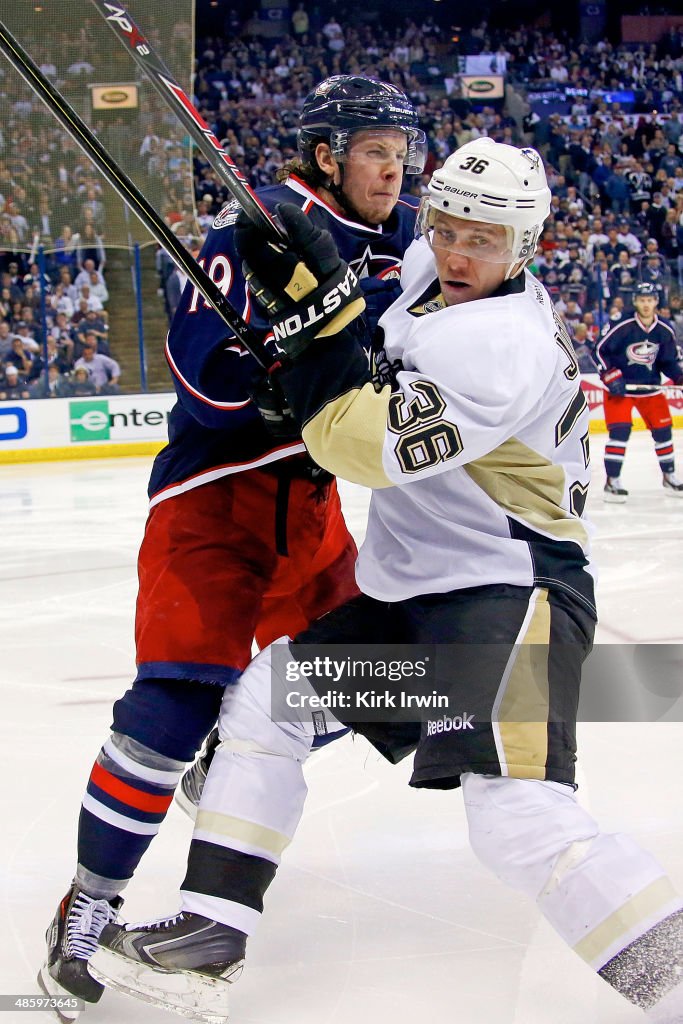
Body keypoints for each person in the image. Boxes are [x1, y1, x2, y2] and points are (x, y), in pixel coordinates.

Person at [89, 139, 683, 1024]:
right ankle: (211, 928)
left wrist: (320, 333)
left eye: (481, 239)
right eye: (445, 226)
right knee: (271, 703)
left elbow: (351, 443)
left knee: (517, 818)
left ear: (525, 248)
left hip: (508, 602)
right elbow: (372, 286)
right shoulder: (434, 268)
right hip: (419, 608)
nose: (453, 252)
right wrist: (310, 277)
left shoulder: (501, 346)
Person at [39, 74, 425, 1015]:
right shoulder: (250, 229)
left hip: (315, 508)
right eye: (375, 148)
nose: (395, 166)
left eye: (401, 149)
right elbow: (201, 379)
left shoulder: (409, 235)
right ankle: (87, 908)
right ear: (327, 155)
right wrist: (283, 365)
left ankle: (235, 744)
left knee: (399, 688)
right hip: (216, 503)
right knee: (170, 710)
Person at [595, 281, 683, 502]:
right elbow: (599, 350)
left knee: (664, 432)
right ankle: (612, 482)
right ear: (635, 301)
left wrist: (679, 376)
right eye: (642, 300)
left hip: (649, 389)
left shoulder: (664, 329)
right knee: (620, 433)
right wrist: (610, 375)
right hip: (621, 390)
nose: (646, 304)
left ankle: (669, 476)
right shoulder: (621, 324)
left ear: (656, 302)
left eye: (650, 300)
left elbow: (668, 361)